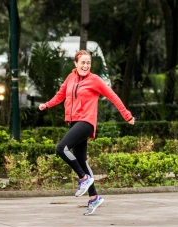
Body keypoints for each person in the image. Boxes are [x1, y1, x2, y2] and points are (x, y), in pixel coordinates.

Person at [39, 50, 135, 216]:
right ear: (75, 64)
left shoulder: (95, 80)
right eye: (82, 62)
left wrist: (127, 115)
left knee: (61, 149)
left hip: (86, 122)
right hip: (74, 122)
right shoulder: (70, 78)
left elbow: (113, 97)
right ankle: (94, 197)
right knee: (81, 160)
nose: (85, 65)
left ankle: (83, 178)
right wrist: (47, 105)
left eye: (88, 63)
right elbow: (60, 95)